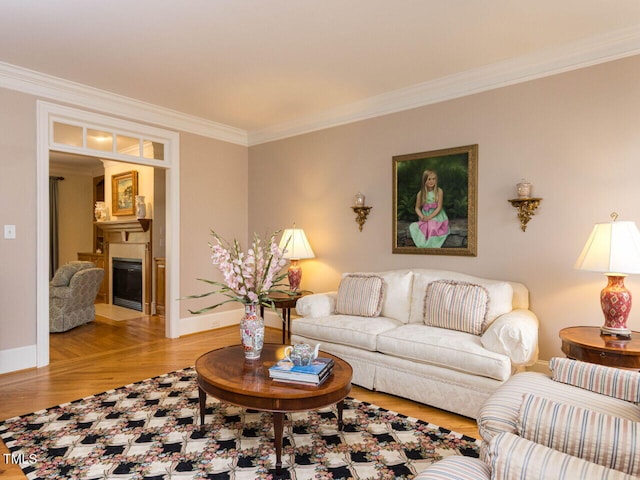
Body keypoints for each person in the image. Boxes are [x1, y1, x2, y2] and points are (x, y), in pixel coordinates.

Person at [409, 170, 449, 248]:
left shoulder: (439, 191)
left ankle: (431, 246)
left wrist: (429, 218)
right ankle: (423, 245)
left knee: (432, 227)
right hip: (425, 215)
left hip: (437, 215)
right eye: (429, 179)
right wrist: (422, 216)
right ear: (424, 180)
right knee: (415, 227)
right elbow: (417, 208)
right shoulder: (421, 193)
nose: (431, 181)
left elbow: (439, 207)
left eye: (434, 179)